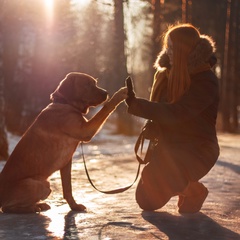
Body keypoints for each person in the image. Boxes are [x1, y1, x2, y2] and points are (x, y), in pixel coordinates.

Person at [125, 23, 220, 213]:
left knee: (157, 175)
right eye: (166, 46)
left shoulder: (206, 80)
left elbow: (178, 112)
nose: (167, 51)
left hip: (198, 149)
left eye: (171, 47)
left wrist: (139, 106)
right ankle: (180, 185)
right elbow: (163, 113)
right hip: (169, 148)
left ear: (183, 49)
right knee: (145, 201)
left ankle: (194, 191)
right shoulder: (165, 75)